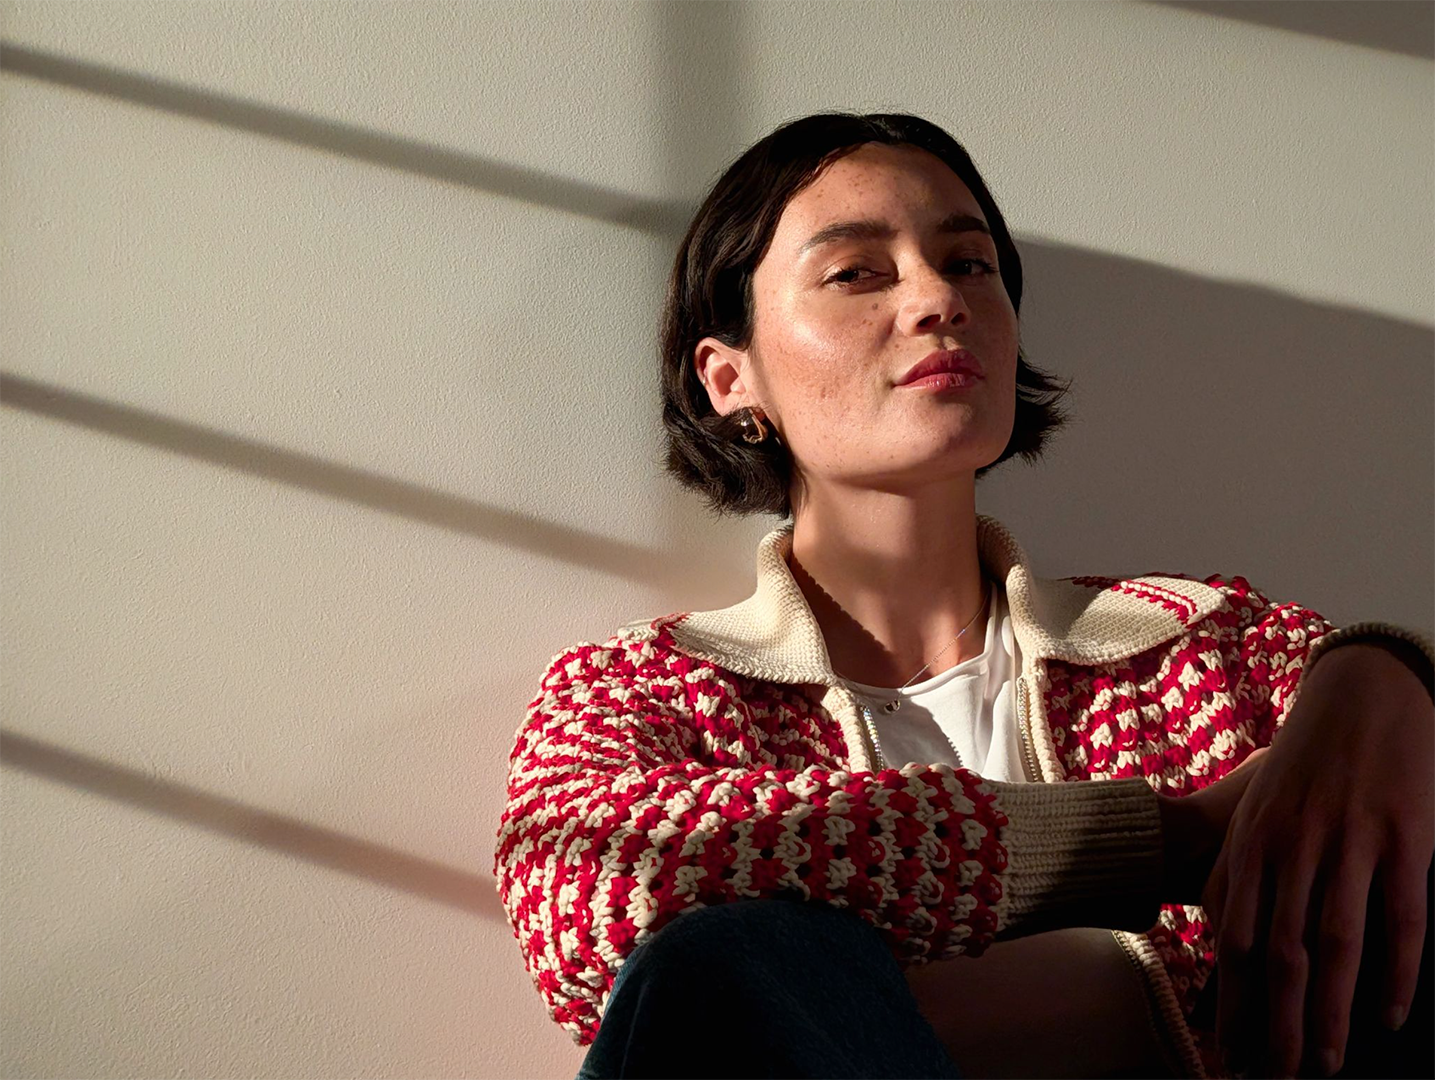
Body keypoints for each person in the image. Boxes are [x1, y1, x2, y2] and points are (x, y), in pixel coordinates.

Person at [492, 112, 1435, 1080]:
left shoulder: (1204, 644)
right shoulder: (640, 688)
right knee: (718, 965)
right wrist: (1168, 838)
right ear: (729, 377)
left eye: (970, 264)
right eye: (857, 272)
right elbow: (588, 892)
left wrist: (1384, 669)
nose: (937, 298)